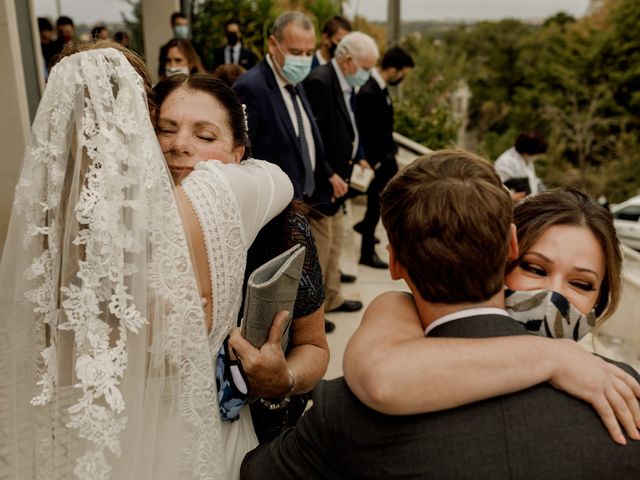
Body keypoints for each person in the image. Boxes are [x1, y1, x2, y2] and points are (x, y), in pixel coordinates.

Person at [240, 151, 640, 479]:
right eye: (536, 269)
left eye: (582, 284)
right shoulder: (625, 394)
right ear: (511, 248)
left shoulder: (349, 409)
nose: (553, 297)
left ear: (393, 262)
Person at [0, 44, 293, 479]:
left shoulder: (46, 227)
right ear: (142, 118)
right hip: (195, 436)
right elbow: (279, 178)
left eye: (204, 135)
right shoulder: (216, 193)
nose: (180, 147)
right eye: (164, 128)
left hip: (89, 438)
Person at [233, 11, 345, 332]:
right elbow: (244, 154)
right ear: (274, 44)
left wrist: (325, 173)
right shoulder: (252, 87)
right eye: (296, 53)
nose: (304, 60)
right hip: (278, 213)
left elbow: (305, 138)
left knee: (311, 276)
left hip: (310, 198)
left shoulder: (295, 84)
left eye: (309, 53)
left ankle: (309, 321)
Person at [303, 31, 379, 311]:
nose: (368, 75)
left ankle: (332, 296)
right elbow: (312, 136)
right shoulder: (320, 82)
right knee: (321, 250)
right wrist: (328, 173)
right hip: (324, 182)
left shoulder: (346, 83)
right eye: (366, 68)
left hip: (340, 180)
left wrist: (358, 157)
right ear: (348, 61)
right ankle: (314, 313)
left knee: (334, 245)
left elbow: (350, 126)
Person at [353, 46, 415, 269]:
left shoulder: (380, 88)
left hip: (386, 158)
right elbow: (368, 131)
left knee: (377, 208)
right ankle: (366, 253)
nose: (402, 78)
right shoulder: (369, 92)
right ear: (392, 69)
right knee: (373, 208)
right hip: (377, 162)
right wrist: (377, 162)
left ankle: (367, 238)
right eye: (402, 73)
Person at [494, 131, 547, 201]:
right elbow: (497, 189)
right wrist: (512, 197)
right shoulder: (505, 162)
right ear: (529, 151)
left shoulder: (526, 160)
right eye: (536, 154)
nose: (536, 157)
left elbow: (532, 179)